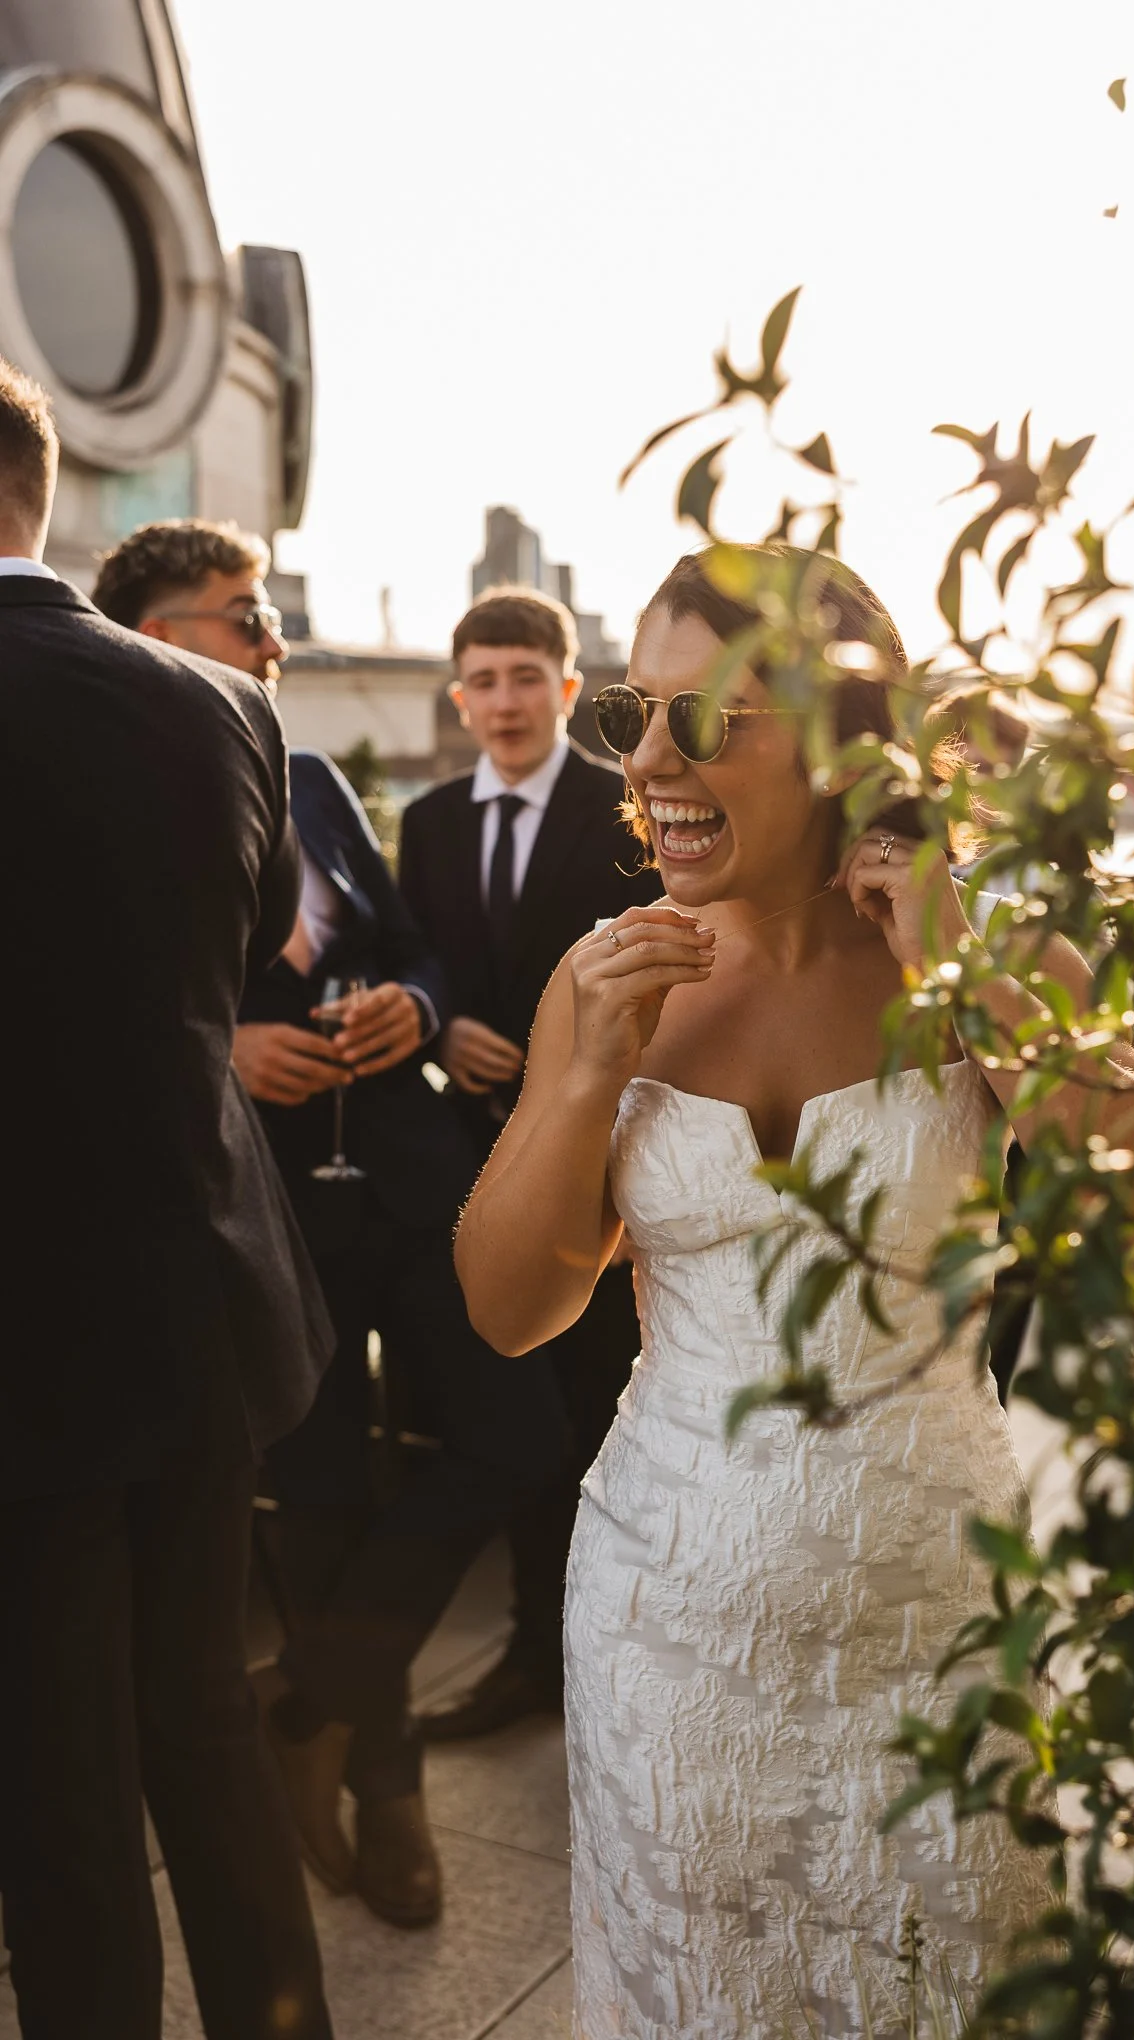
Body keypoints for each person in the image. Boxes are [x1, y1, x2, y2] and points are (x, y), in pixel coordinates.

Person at [454, 548, 1134, 2031]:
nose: (654, 766)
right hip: (665, 1625)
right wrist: (583, 1084)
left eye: (707, 719)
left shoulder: (981, 947)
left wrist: (984, 992)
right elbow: (508, 1311)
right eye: (636, 715)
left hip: (940, 1617)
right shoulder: (602, 979)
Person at [90, 521, 567, 1933]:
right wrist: (224, 1048)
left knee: (517, 1435)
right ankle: (388, 1792)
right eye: (243, 619)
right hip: (262, 1207)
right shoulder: (101, 788)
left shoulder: (302, 770)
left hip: (413, 1180)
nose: (272, 638)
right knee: (321, 1502)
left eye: (271, 616)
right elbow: (88, 1006)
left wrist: (414, 1007)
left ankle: (308, 1706)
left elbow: (407, 945)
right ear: (157, 638)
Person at [0, 367, 334, 2037]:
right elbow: (240, 951)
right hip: (198, 1297)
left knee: (59, 1794)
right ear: (37, 495)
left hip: (21, 1343)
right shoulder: (223, 709)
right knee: (203, 1724)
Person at [397, 588, 656, 1740]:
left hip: (601, 1162)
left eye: (521, 678)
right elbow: (420, 961)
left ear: (563, 689)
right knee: (511, 1418)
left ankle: (586, 1653)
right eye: (479, 682)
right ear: (458, 700)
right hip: (470, 1155)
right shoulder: (432, 819)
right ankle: (533, 1656)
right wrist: (440, 1024)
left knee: (598, 1414)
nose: (499, 701)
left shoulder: (630, 808)